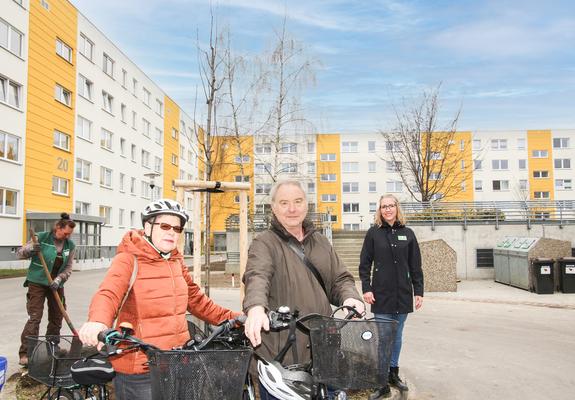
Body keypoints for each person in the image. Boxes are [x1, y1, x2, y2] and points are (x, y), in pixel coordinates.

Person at [79, 199, 239, 400]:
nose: (172, 232)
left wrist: (239, 319)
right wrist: (98, 322)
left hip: (177, 362)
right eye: (165, 226)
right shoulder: (130, 258)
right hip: (141, 367)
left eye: (177, 228)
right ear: (148, 227)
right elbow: (108, 293)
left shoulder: (175, 261)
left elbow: (199, 302)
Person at [243, 179, 365, 400]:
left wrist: (350, 297)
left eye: (298, 201)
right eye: (284, 202)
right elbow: (257, 276)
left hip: (324, 351)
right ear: (274, 207)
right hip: (283, 360)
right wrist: (255, 308)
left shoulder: (320, 242)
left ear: (306, 204)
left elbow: (340, 279)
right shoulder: (264, 243)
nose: (292, 208)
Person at [359, 194, 424, 400]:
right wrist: (367, 288)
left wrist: (419, 291)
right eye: (383, 206)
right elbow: (364, 264)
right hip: (381, 296)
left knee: (397, 337)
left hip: (403, 296)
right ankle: (381, 383)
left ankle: (393, 375)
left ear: (397, 208)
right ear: (379, 210)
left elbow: (416, 266)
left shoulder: (408, 234)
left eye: (391, 206)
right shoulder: (373, 234)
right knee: (384, 339)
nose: (387, 209)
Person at [18, 213, 77, 367]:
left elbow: (69, 267)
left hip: (56, 284)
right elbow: (20, 253)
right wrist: (31, 249)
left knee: (57, 315)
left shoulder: (70, 246)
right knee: (35, 316)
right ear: (58, 227)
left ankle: (52, 346)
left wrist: (59, 279)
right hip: (37, 282)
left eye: (69, 234)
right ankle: (26, 353)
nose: (67, 237)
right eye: (65, 233)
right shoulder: (41, 237)